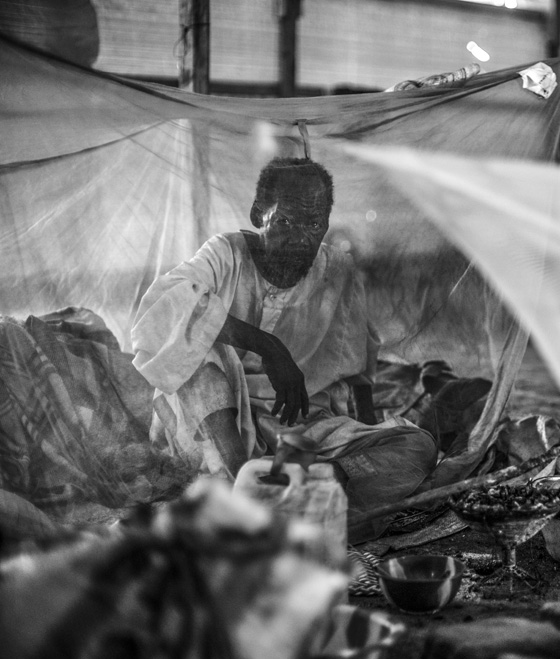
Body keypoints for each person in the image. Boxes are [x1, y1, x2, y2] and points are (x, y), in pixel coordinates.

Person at [131, 156, 439, 542]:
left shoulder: (337, 269)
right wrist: (268, 346)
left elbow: (359, 361)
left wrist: (368, 433)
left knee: (418, 447)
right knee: (198, 351)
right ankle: (245, 494)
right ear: (258, 214)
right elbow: (162, 309)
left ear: (325, 224)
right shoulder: (224, 254)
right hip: (215, 430)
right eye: (285, 222)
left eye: (314, 225)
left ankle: (307, 490)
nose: (301, 238)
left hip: (299, 434)